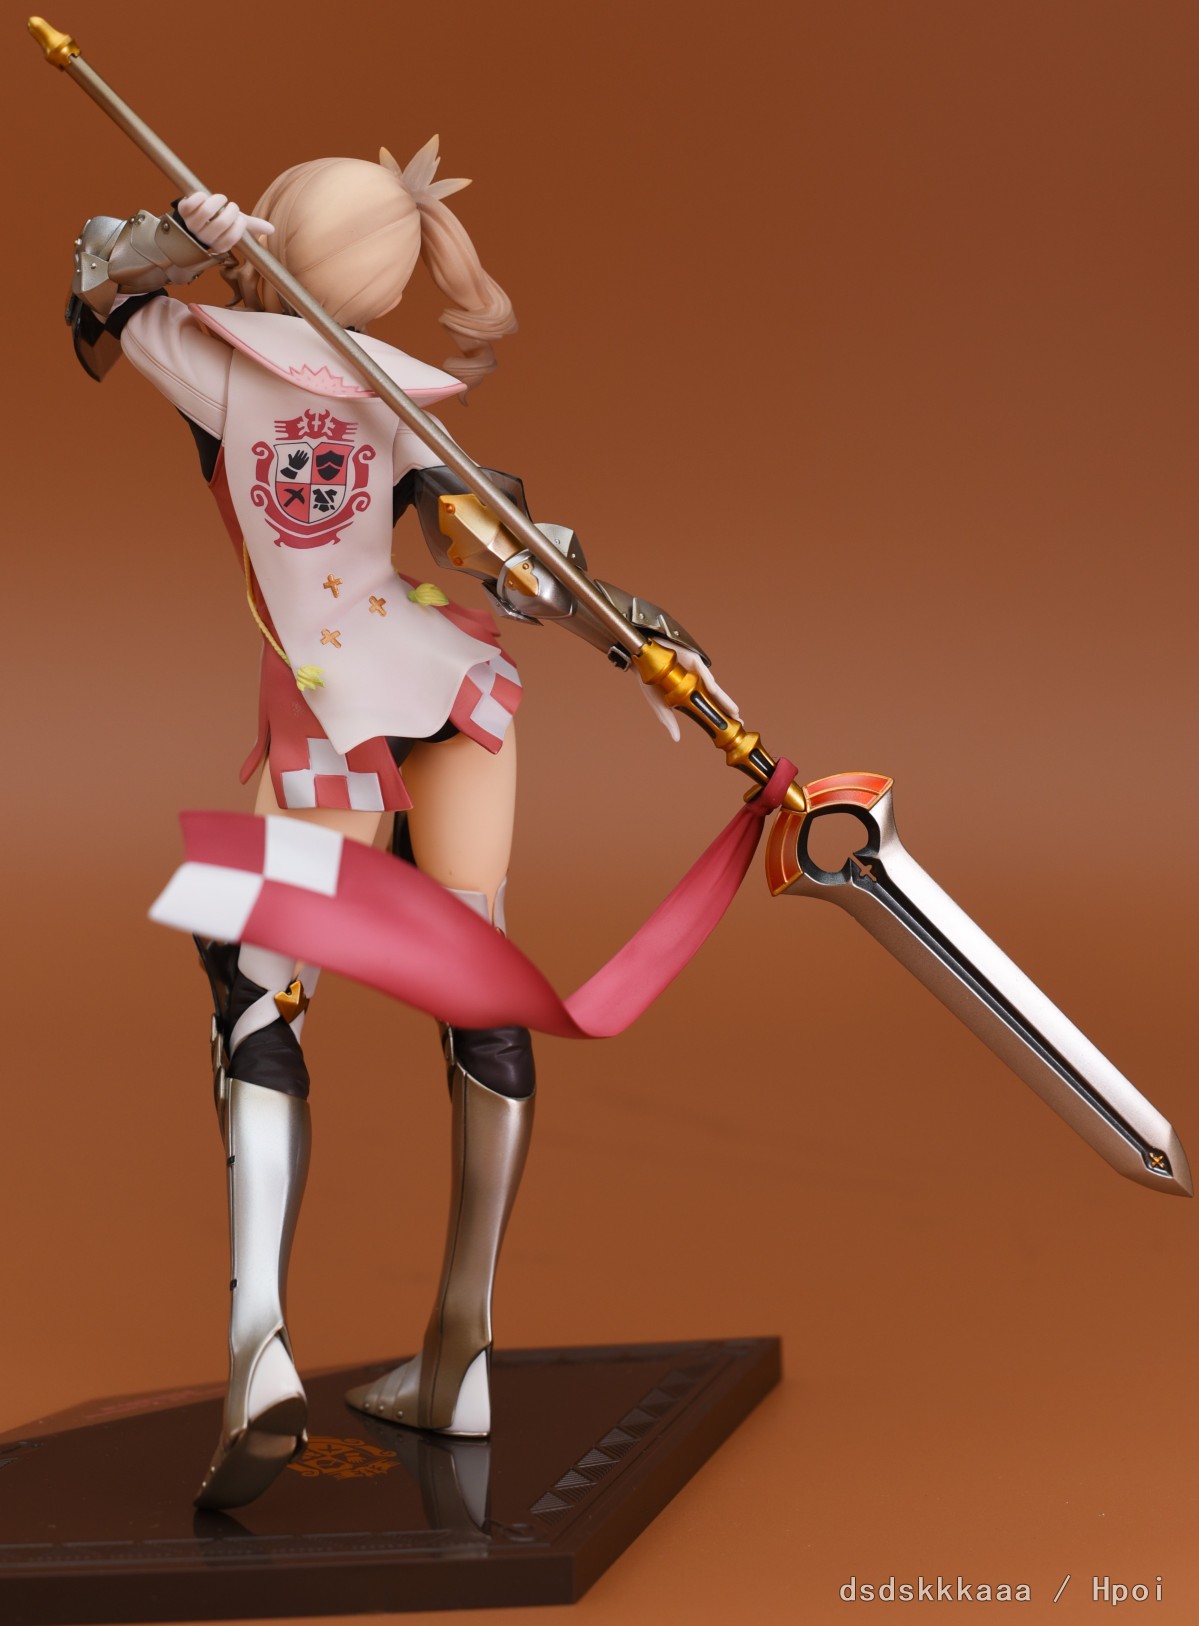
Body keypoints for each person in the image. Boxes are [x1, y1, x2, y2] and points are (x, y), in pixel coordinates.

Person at [68, 139, 731, 1509]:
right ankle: (458, 1354)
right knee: (479, 993)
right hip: (458, 697)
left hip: (335, 722)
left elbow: (94, 299)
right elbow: (509, 561)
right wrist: (636, 638)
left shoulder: (220, 366)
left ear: (276, 237)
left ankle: (261, 1347)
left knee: (257, 997)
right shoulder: (397, 395)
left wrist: (177, 242)